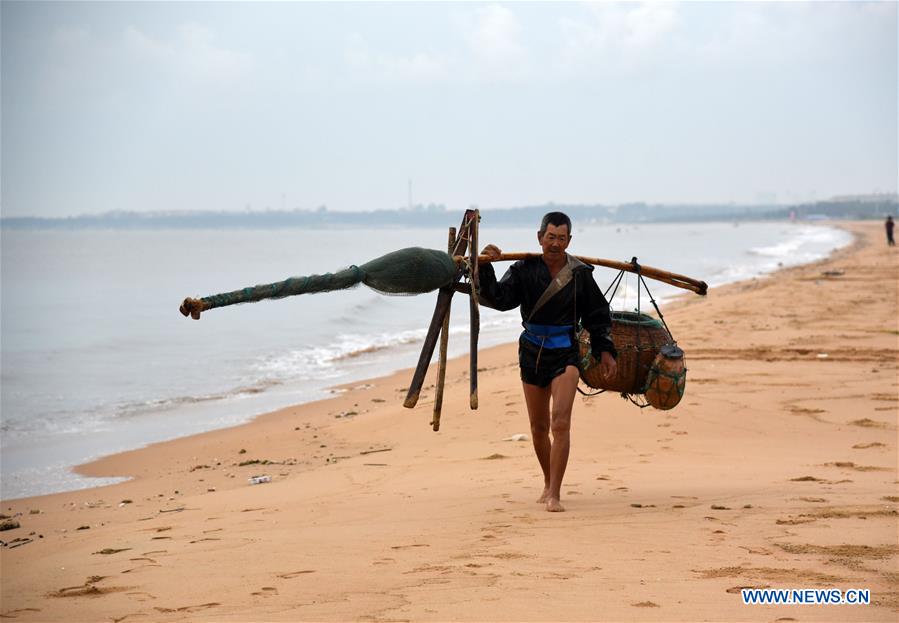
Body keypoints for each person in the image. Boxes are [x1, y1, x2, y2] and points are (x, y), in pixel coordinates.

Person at [478, 212, 617, 512]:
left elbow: (597, 315)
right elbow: (499, 300)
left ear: (569, 240)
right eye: (550, 237)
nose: (555, 243)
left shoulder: (580, 274)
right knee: (539, 426)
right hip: (531, 351)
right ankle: (547, 480)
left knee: (560, 422)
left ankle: (554, 492)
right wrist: (484, 267)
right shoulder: (523, 270)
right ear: (539, 237)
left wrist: (605, 350)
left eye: (561, 238)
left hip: (565, 351)